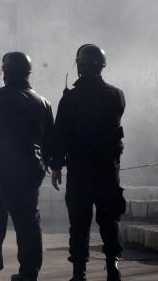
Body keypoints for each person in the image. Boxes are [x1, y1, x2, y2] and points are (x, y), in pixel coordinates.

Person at [0, 52, 54, 281]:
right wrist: (46, 165)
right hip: (29, 172)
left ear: (6, 73)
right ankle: (29, 273)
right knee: (28, 224)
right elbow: (50, 140)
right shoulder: (42, 102)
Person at [47, 44, 125, 281]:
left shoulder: (70, 99)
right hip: (108, 171)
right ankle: (113, 267)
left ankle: (79, 273)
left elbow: (60, 135)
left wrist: (57, 166)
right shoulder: (116, 95)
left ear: (80, 65)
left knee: (79, 225)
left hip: (80, 172)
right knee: (109, 221)